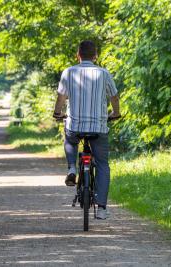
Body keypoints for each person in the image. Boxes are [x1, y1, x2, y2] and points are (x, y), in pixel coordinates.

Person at [53, 40, 121, 220]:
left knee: (70, 138)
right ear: (95, 56)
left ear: (78, 55)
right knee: (102, 165)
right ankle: (101, 208)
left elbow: (61, 97)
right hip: (98, 128)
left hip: (75, 125)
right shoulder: (104, 73)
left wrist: (57, 113)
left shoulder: (68, 72)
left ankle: (72, 168)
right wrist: (116, 113)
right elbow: (114, 96)